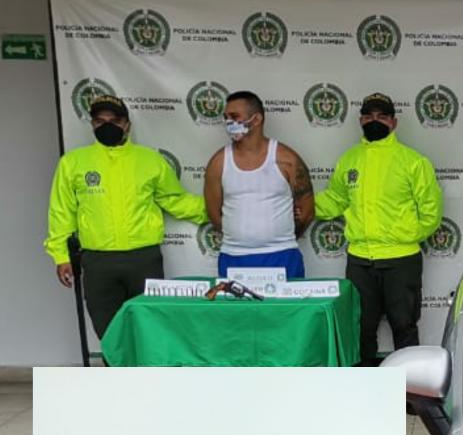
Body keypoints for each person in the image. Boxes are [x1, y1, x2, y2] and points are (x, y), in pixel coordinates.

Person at [44, 95, 207, 340]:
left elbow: (175, 200)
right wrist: (61, 255)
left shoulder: (150, 160)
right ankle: (113, 367)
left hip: (143, 259)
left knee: (148, 329)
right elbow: (61, 211)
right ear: (92, 124)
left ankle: (145, 367)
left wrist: (219, 210)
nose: (107, 126)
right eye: (100, 121)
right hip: (98, 261)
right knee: (108, 332)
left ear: (127, 125)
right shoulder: (73, 163)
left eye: (115, 121)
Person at [314, 92, 443, 366]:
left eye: (382, 116)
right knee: (360, 328)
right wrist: (299, 205)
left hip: (401, 259)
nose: (375, 121)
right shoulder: (349, 160)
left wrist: (404, 236)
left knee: (404, 326)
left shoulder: (413, 161)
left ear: (394, 122)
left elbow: (431, 210)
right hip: (360, 260)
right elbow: (335, 200)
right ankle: (365, 387)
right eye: (369, 116)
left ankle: (409, 388)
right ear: (360, 120)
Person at [203, 90, 314, 279]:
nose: (228, 122)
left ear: (256, 119)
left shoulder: (287, 159)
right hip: (234, 256)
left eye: (235, 117)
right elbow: (214, 213)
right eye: (226, 117)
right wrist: (241, 237)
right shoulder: (218, 162)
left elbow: (307, 211)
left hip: (282, 255)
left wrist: (278, 238)